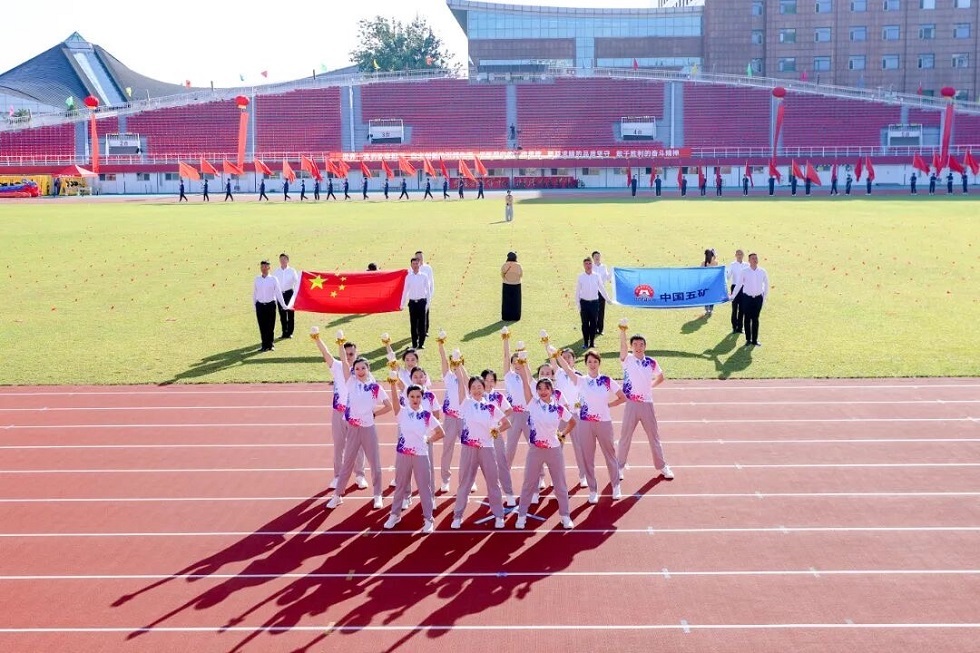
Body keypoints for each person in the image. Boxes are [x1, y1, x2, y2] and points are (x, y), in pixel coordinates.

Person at [555, 348, 625, 503]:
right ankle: (593, 490)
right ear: (586, 364)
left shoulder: (607, 380)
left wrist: (609, 405)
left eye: (595, 361)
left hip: (604, 423)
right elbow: (566, 368)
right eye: (589, 362)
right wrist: (557, 355)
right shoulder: (581, 380)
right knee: (588, 458)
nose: (592, 364)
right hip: (585, 423)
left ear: (599, 363)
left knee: (610, 455)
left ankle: (616, 486)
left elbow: (622, 397)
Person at [513, 362, 575, 530]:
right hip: (536, 450)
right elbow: (526, 385)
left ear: (551, 390)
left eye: (546, 388)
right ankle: (522, 515)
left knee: (560, 484)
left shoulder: (559, 408)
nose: (542, 391)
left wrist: (563, 434)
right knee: (528, 484)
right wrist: (523, 368)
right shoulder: (532, 404)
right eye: (539, 389)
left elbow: (572, 422)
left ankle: (565, 516)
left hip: (554, 450)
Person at [326, 356, 393, 510]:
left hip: (368, 429)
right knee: (347, 463)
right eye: (357, 369)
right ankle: (337, 495)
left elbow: (389, 406)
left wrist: (375, 414)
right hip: (354, 429)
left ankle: (377, 495)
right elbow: (343, 362)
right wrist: (341, 345)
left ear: (368, 369)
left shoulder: (375, 388)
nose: (360, 371)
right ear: (353, 371)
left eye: (363, 368)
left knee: (375, 463)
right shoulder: (351, 383)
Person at [450, 359, 510, 529]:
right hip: (469, 448)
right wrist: (458, 364)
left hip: (487, 449)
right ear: (470, 390)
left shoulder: (491, 406)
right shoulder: (466, 404)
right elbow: (462, 382)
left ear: (484, 389)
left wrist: (496, 431)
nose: (476, 390)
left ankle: (499, 515)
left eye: (479, 387)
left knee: (493, 482)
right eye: (473, 387)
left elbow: (506, 423)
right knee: (464, 483)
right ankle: (458, 516)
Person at [383, 380, 444, 534]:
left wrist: (429, 439)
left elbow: (441, 432)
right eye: (412, 396)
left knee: (424, 488)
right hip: (403, 454)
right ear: (408, 398)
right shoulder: (402, 412)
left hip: (421, 455)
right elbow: (395, 401)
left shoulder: (426, 415)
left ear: (422, 398)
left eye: (418, 396)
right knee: (401, 486)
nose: (415, 399)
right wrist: (392, 384)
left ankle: (428, 519)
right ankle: (395, 515)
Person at [311, 333, 367, 492]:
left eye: (351, 354)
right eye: (346, 352)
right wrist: (317, 339)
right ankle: (337, 477)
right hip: (339, 412)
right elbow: (326, 353)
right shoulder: (336, 366)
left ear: (356, 354)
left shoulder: (360, 369)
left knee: (357, 446)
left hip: (355, 413)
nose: (348, 356)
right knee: (339, 446)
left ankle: (360, 475)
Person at [616, 328, 672, 483]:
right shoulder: (627, 359)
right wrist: (622, 332)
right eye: (635, 344)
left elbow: (661, 377)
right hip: (631, 404)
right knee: (625, 437)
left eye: (641, 344)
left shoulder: (651, 362)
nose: (638, 347)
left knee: (654, 436)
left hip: (647, 404)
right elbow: (622, 348)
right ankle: (619, 467)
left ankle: (662, 466)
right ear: (631, 347)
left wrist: (651, 386)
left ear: (645, 346)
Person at [546, 345, 588, 488]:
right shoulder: (557, 373)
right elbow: (552, 357)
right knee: (557, 447)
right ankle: (555, 477)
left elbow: (584, 397)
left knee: (579, 448)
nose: (567, 360)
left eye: (569, 357)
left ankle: (583, 476)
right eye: (563, 358)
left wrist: (577, 407)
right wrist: (546, 344)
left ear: (574, 360)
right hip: (561, 416)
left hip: (575, 416)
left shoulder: (580, 376)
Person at [437, 335, 467, 493]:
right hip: (450, 418)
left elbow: (467, 382)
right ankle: (445, 479)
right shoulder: (448, 377)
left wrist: (459, 364)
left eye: (458, 364)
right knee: (447, 449)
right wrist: (441, 344)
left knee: (468, 451)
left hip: (464, 419)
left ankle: (468, 479)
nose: (454, 366)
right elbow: (442, 360)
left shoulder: (467, 379)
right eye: (453, 364)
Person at [730, 252, 769, 347]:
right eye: (753, 258)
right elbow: (739, 285)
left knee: (755, 319)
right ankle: (748, 339)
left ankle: (755, 340)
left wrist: (763, 298)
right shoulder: (744, 271)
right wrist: (732, 296)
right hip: (747, 298)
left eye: (756, 258)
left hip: (758, 298)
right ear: (749, 261)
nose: (755, 260)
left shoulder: (762, 271)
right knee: (747, 319)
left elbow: (766, 285)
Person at [575, 257, 611, 350]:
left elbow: (602, 288)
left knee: (594, 324)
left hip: (595, 303)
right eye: (586, 264)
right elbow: (577, 292)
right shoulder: (581, 277)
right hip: (584, 303)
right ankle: (585, 342)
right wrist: (578, 305)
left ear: (592, 265)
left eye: (589, 263)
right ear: (583, 265)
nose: (588, 266)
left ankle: (592, 343)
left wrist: (607, 299)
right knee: (585, 324)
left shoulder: (596, 276)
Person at [252, 260, 287, 352]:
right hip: (260, 305)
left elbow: (278, 293)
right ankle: (264, 344)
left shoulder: (273, 279)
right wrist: (255, 305)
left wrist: (283, 305)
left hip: (270, 305)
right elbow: (255, 293)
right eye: (262, 267)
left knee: (270, 325)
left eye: (265, 267)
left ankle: (270, 344)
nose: (263, 269)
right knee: (262, 326)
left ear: (268, 268)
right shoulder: (257, 279)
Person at [401, 257, 432, 350]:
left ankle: (421, 343)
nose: (415, 265)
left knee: (422, 323)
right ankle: (414, 343)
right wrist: (402, 303)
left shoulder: (424, 276)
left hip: (422, 302)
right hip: (413, 303)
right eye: (413, 264)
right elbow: (405, 291)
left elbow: (428, 291)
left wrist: (427, 303)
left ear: (419, 265)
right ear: (411, 265)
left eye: (417, 264)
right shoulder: (408, 277)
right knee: (413, 324)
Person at [273, 253, 299, 339]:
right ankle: (284, 332)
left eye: (284, 259)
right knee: (282, 314)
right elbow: (274, 284)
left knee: (290, 314)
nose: (282, 261)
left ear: (287, 260)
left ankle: (290, 332)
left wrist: (295, 293)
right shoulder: (276, 271)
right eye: (281, 260)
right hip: (280, 294)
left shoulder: (292, 271)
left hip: (289, 293)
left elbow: (296, 282)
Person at [726, 249, 749, 334]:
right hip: (735, 287)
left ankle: (740, 327)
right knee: (734, 308)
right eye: (738, 254)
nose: (739, 255)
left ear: (743, 255)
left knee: (742, 309)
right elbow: (728, 277)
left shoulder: (747, 265)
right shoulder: (732, 265)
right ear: (735, 255)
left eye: (741, 254)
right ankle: (734, 327)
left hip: (744, 288)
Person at [415, 250, 434, 336]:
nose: (419, 259)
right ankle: (417, 331)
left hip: (425, 295)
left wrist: (431, 294)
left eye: (421, 257)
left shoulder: (428, 268)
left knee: (425, 313)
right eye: (418, 258)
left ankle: (425, 331)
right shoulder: (413, 268)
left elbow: (431, 282)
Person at [591, 251, 610, 335]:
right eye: (595, 256)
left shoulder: (603, 267)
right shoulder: (591, 267)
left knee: (601, 310)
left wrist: (612, 272)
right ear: (593, 258)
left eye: (598, 256)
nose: (597, 257)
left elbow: (607, 277)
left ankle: (600, 329)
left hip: (601, 291)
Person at [500, 252, 522, 321]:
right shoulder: (518, 265)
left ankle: (506, 317)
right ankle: (516, 317)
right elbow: (521, 275)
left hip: (506, 284)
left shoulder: (504, 265)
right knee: (516, 301)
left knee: (506, 301)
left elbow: (502, 274)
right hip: (517, 284)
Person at [701, 248, 717, 316]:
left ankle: (709, 309)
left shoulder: (714, 263)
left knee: (709, 296)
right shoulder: (704, 263)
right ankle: (708, 309)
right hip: (707, 283)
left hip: (710, 283)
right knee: (708, 295)